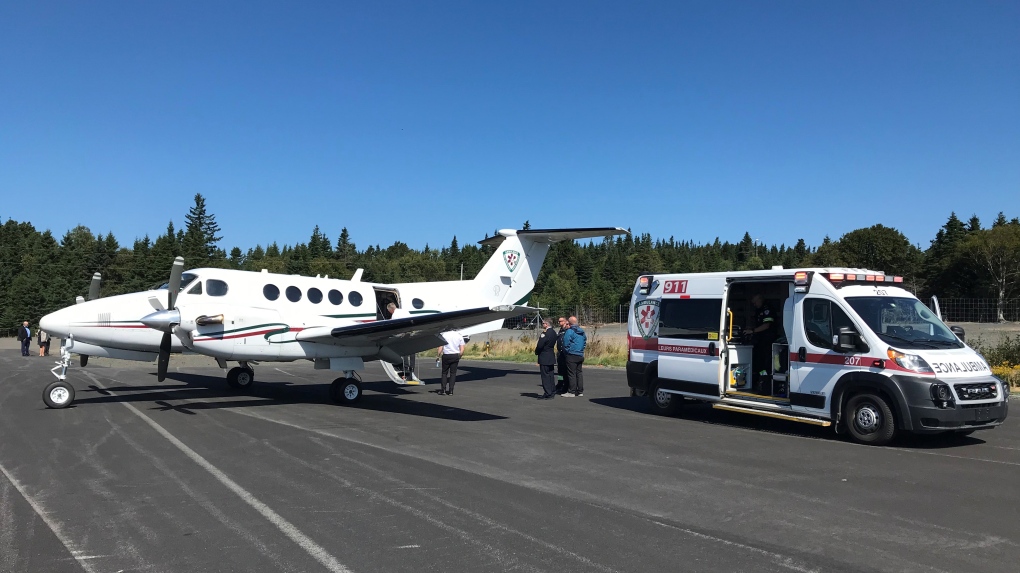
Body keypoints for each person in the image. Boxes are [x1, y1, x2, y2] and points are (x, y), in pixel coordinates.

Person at [746, 293, 777, 394]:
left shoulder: (767, 308)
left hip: (768, 342)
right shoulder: (758, 310)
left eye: (755, 302)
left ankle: (765, 385)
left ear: (760, 299)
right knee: (759, 364)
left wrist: (753, 331)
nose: (754, 305)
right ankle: (761, 382)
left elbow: (767, 325)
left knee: (766, 364)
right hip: (760, 342)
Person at [386, 302, 415, 379]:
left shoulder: (395, 315)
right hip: (411, 332)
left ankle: (405, 369)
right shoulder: (404, 311)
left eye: (389, 311)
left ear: (391, 309)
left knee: (404, 351)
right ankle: (412, 368)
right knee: (412, 351)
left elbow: (393, 327)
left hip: (403, 334)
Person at [561, 316, 587, 397]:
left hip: (572, 354)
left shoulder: (570, 331)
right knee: (579, 373)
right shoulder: (582, 332)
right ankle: (580, 391)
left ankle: (571, 391)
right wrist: (581, 350)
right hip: (580, 354)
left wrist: (567, 351)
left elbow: (565, 343)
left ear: (569, 323)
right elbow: (584, 342)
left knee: (571, 373)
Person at [436, 330, 465, 395]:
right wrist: (459, 356)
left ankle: (443, 389)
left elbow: (441, 347)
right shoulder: (459, 335)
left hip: (446, 355)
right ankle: (451, 390)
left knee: (444, 373)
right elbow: (462, 349)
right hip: (455, 355)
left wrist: (438, 355)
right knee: (453, 373)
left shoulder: (444, 335)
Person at [534, 319, 558, 399]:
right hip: (550, 355)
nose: (542, 324)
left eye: (543, 323)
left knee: (545, 376)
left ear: (546, 324)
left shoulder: (545, 334)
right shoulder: (554, 333)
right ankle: (552, 391)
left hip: (544, 356)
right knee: (551, 375)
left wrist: (537, 352)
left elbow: (540, 345)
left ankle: (548, 392)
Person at [555, 316, 569, 393]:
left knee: (565, 370)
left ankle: (566, 385)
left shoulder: (567, 330)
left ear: (564, 321)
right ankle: (560, 383)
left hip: (564, 353)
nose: (559, 323)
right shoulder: (560, 330)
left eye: (560, 321)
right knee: (559, 370)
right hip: (559, 352)